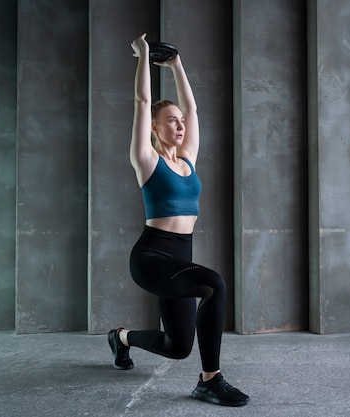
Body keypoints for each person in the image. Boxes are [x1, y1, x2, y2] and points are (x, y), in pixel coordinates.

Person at [107, 33, 249, 408]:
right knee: (215, 284)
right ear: (155, 127)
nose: (181, 125)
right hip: (152, 257)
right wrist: (143, 57)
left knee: (178, 347)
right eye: (171, 121)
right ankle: (210, 381)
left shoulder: (186, 160)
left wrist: (177, 65)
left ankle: (120, 338)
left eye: (180, 121)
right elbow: (141, 101)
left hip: (180, 256)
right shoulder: (146, 161)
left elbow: (195, 111)